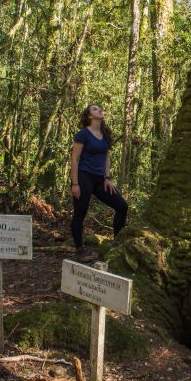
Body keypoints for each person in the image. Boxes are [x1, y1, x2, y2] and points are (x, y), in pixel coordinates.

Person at [70, 104, 128, 262]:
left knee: (122, 206)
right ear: (89, 116)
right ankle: (80, 250)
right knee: (80, 213)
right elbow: (75, 159)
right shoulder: (83, 134)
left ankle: (116, 244)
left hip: (100, 179)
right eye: (95, 109)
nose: (100, 110)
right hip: (84, 177)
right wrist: (75, 184)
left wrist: (107, 178)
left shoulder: (105, 134)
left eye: (99, 108)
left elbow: (106, 157)